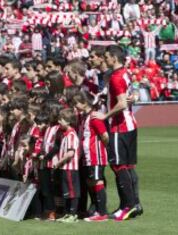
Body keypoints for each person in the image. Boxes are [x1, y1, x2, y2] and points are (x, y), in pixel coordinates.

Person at [92, 45, 142, 221]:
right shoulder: (125, 73)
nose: (105, 59)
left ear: (114, 58)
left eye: (107, 56)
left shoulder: (116, 77)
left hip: (119, 127)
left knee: (119, 167)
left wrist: (104, 115)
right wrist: (134, 95)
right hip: (130, 124)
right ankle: (133, 204)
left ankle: (128, 206)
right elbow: (133, 90)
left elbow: (121, 103)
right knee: (127, 166)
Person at [72, 90, 109, 222]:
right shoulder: (84, 117)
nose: (75, 106)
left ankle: (102, 212)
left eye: (76, 103)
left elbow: (105, 136)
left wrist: (100, 149)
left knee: (97, 181)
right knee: (90, 182)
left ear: (84, 102)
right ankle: (95, 210)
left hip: (95, 155)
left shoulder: (94, 117)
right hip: (87, 156)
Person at [55, 108, 80, 223]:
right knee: (67, 191)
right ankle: (68, 213)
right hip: (65, 168)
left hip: (70, 168)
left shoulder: (71, 135)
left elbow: (70, 153)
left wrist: (59, 162)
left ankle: (73, 214)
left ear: (68, 121)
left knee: (72, 191)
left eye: (61, 119)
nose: (59, 121)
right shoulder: (65, 134)